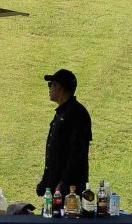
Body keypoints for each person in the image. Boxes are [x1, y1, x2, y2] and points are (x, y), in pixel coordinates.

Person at [35, 68, 91, 199]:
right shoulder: (63, 112)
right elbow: (54, 152)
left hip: (69, 191)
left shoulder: (77, 114)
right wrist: (46, 181)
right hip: (57, 186)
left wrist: (63, 184)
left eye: (51, 84)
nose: (49, 88)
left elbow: (77, 153)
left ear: (59, 87)